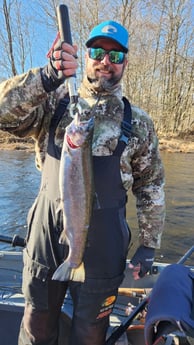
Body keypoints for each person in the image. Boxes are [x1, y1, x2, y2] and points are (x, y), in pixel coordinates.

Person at [0, 20, 165, 345]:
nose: (106, 60)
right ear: (87, 56)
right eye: (98, 51)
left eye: (115, 56)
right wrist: (47, 76)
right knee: (37, 325)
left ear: (125, 64)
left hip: (104, 245)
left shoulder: (139, 122)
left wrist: (149, 244)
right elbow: (4, 115)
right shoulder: (52, 100)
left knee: (91, 334)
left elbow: (150, 185)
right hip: (47, 234)